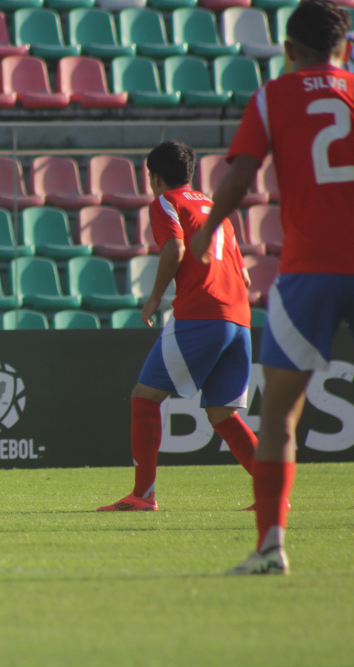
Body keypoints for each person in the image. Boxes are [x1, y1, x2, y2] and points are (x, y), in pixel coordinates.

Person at [191, 0, 354, 575]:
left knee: (280, 415)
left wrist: (208, 229)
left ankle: (270, 548)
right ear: (346, 49)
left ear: (287, 50)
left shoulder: (273, 96)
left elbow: (239, 177)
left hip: (309, 272)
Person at [97, 141, 259, 513]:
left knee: (144, 396)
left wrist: (154, 297)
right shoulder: (217, 209)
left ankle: (143, 494)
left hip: (202, 313)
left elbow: (174, 249)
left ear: (154, 176)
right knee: (221, 412)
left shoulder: (166, 202)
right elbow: (246, 275)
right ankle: (273, 492)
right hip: (239, 317)